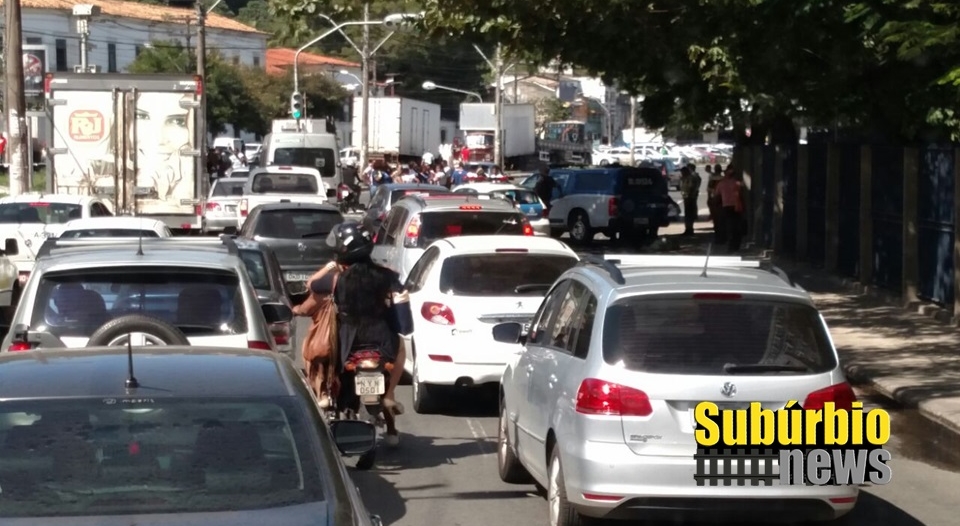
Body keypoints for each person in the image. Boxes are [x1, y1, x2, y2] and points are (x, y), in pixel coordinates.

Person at [311, 222, 412, 446]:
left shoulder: (336, 278)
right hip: (382, 342)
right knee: (402, 346)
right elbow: (405, 324)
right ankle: (389, 395)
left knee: (326, 356)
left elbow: (314, 286)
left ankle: (326, 394)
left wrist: (330, 267)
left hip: (347, 343)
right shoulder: (388, 277)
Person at [715, 168, 744, 252]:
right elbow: (742, 195)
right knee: (737, 226)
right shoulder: (737, 183)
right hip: (737, 207)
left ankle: (730, 245)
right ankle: (736, 245)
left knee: (728, 226)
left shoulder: (721, 184)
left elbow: (717, 196)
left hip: (726, 207)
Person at [679, 165, 701, 235]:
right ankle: (688, 229)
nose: (682, 174)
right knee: (687, 214)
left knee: (689, 215)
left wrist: (689, 196)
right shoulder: (685, 178)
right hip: (687, 198)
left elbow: (691, 188)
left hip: (689, 198)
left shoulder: (690, 178)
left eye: (682, 172)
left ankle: (689, 229)